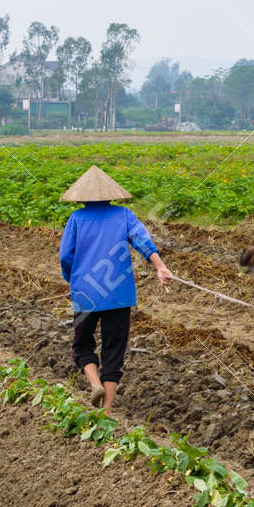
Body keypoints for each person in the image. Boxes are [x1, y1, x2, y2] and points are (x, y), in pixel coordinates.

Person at [59, 166, 171, 409]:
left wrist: (71, 278)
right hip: (119, 294)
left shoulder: (76, 219)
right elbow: (143, 242)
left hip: (86, 293)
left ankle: (94, 384)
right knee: (114, 351)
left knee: (82, 344)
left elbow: (66, 256)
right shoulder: (124, 215)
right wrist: (160, 266)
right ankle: (107, 411)